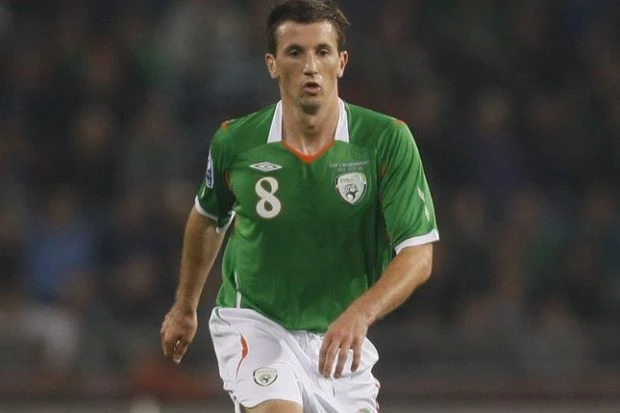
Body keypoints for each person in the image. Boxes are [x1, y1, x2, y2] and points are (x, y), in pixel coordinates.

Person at [160, 0, 439, 412]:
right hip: (256, 322)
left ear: (341, 62)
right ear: (272, 64)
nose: (310, 66)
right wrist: (186, 307)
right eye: (295, 52)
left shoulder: (386, 141)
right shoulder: (236, 142)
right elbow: (208, 219)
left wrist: (361, 314)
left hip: (339, 339)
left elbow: (418, 254)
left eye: (322, 51)